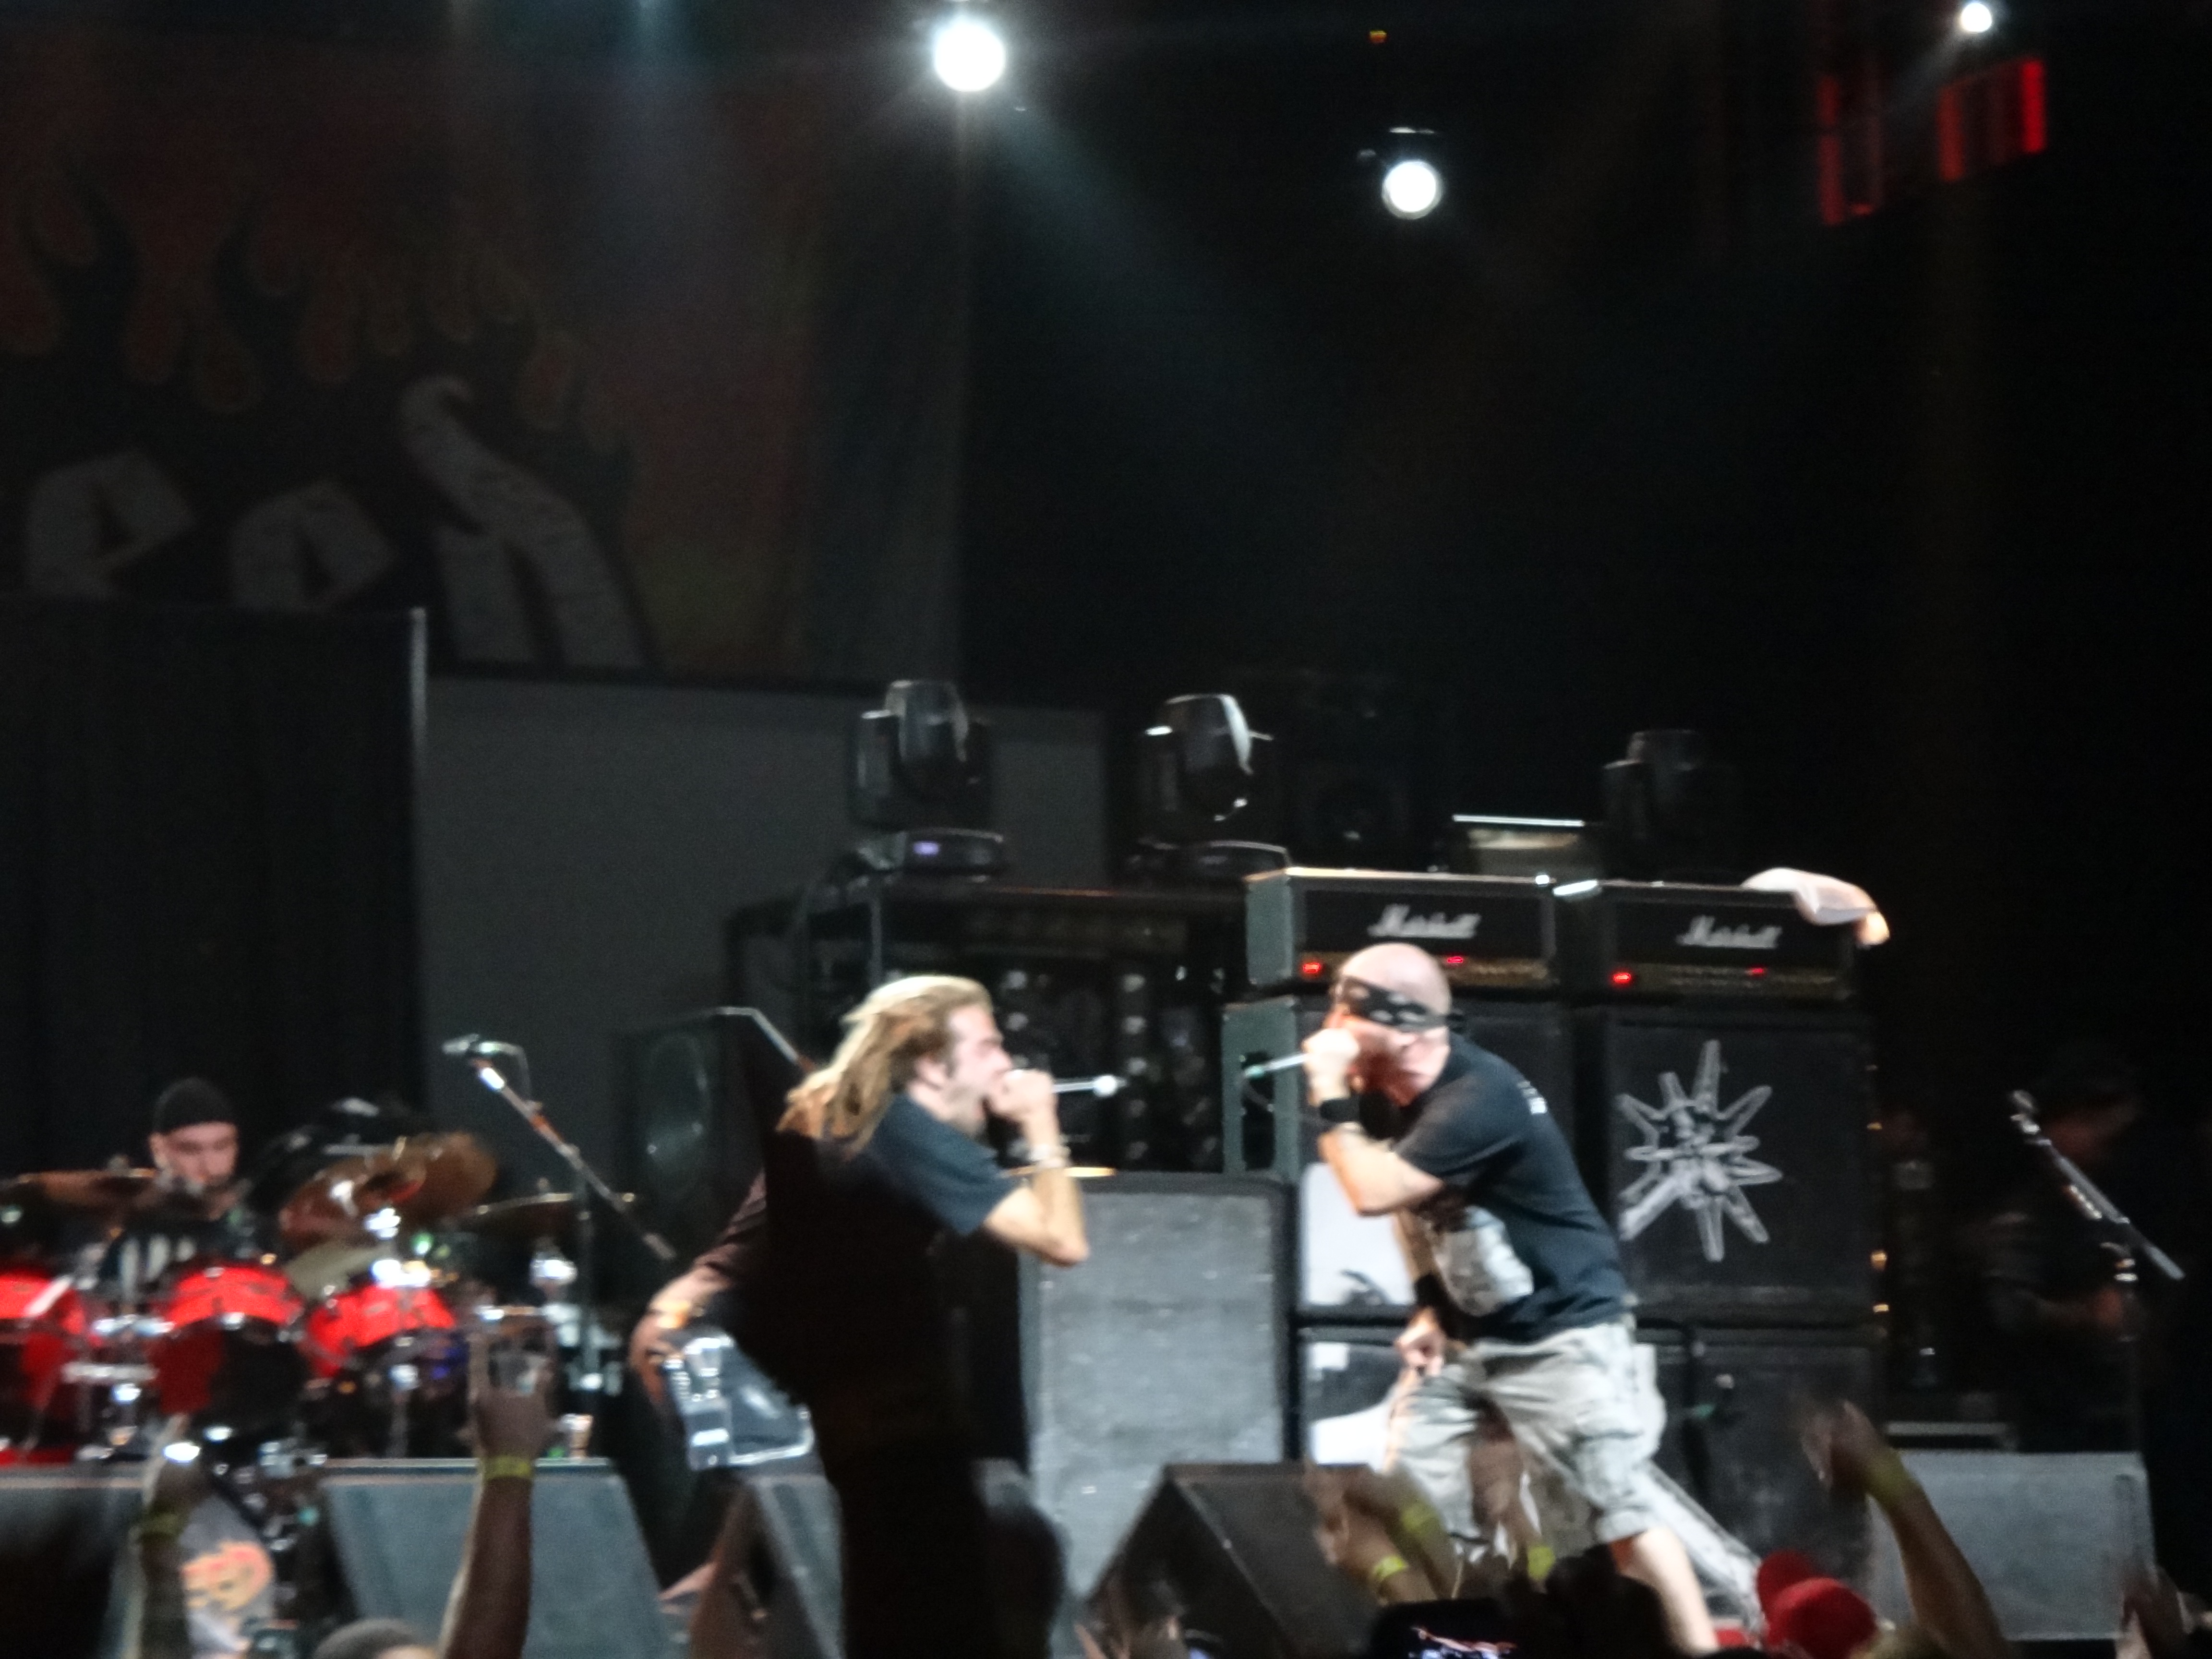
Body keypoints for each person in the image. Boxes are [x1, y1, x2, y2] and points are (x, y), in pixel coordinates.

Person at [633, 974, 1088, 1659]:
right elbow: (1063, 1241)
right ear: (931, 1064)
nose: (1006, 1064)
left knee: (786, 1548)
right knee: (806, 1531)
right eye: (988, 1046)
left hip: (709, 1339)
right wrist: (1042, 1125)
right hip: (722, 1351)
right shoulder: (905, 1129)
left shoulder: (871, 1121)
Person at [1302, 942, 1718, 1653]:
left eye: (1347, 1013)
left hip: (1559, 1334)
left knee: (1612, 1516)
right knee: (1400, 1503)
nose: (1330, 1028)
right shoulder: (1393, 1101)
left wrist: (1329, 1095)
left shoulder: (1479, 1097)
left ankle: (1700, 1652)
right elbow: (1413, 1213)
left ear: (1404, 1028)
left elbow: (1375, 1191)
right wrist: (1430, 1303)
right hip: (1471, 1339)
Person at [1970, 1042, 2149, 1450]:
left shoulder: (2108, 1203)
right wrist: (2087, 1315)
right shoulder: (2029, 1211)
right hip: (2051, 1413)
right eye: (2090, 1124)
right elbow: (2009, 1307)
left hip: (2112, 1408)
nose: (2106, 1142)